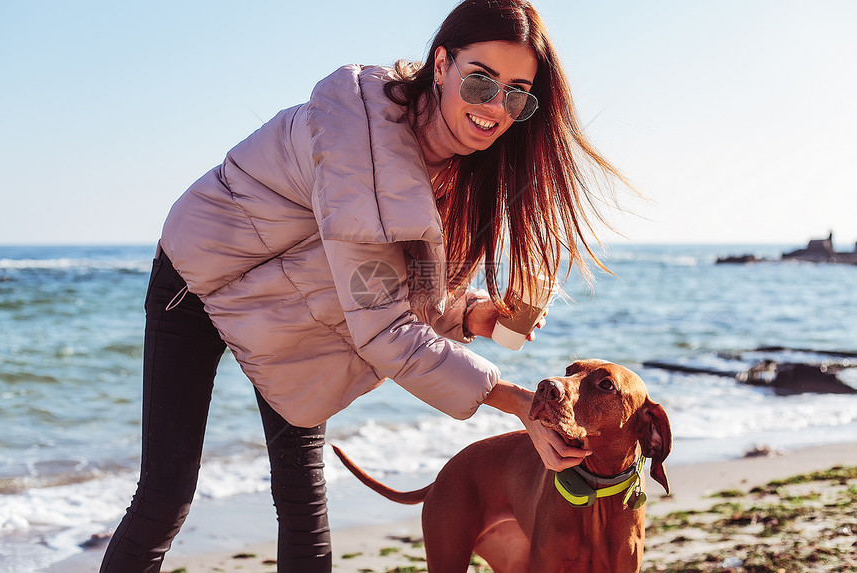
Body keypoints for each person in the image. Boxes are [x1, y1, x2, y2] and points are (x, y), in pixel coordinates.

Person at [100, 1, 629, 571]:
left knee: (303, 501)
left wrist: (473, 313)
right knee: (166, 494)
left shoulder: (455, 162)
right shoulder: (361, 138)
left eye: (516, 94)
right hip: (200, 279)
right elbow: (383, 323)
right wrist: (514, 401)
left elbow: (386, 280)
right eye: (481, 81)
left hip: (304, 301)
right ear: (442, 64)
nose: (495, 108)